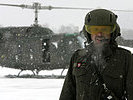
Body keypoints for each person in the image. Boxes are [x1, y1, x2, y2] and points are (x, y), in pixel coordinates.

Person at [59, 9, 133, 100]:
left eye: (105, 29)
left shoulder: (125, 58)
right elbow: (68, 93)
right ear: (88, 32)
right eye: (94, 29)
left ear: (112, 32)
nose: (99, 34)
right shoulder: (78, 57)